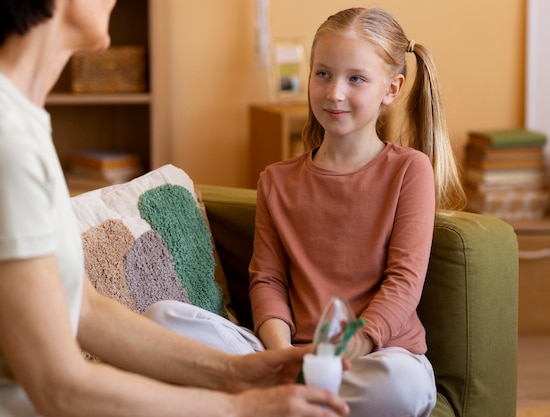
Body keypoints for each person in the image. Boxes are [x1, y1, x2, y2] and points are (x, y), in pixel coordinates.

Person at [0, 1, 350, 417]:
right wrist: (245, 409)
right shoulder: (10, 143)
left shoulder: (24, 124)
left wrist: (236, 373)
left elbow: (83, 307)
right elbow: (59, 388)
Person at [145, 6, 466, 417]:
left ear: (392, 88)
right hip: (289, 356)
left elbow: (404, 282)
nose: (334, 92)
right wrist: (280, 357)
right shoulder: (276, 180)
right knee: (160, 318)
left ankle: (278, 400)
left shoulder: (409, 170)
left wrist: (348, 349)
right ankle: (288, 393)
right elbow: (268, 280)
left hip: (376, 355)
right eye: (323, 73)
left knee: (400, 386)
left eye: (356, 79)